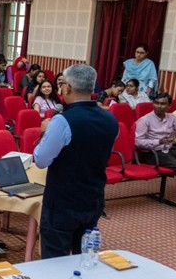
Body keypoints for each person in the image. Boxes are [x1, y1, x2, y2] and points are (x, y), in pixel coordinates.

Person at [33, 64, 118, 259]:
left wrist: (45, 131)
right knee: (84, 256)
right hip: (93, 197)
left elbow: (41, 160)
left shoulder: (62, 121)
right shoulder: (110, 120)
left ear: (68, 88)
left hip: (63, 201)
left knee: (55, 259)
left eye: (62, 84)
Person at [134, 93, 176, 215]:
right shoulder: (145, 120)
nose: (159, 106)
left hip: (169, 148)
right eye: (156, 103)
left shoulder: (172, 117)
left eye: (163, 104)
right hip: (153, 153)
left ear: (169, 106)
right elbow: (138, 142)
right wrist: (158, 141)